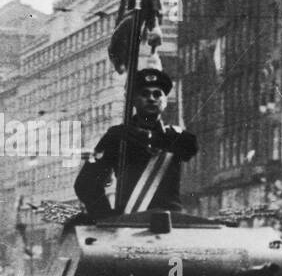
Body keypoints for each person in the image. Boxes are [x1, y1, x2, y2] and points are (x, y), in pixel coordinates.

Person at [74, 68, 198, 217]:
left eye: (157, 94)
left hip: (172, 223)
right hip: (130, 221)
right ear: (132, 99)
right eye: (144, 94)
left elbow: (190, 148)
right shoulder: (117, 136)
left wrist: (149, 137)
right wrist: (106, 217)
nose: (151, 98)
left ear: (165, 101)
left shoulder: (177, 136)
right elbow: (86, 183)